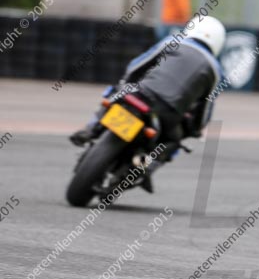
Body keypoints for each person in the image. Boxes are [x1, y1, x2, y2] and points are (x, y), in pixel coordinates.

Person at [69, 16, 227, 191]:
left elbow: (137, 66)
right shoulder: (215, 70)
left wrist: (126, 83)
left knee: (114, 93)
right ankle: (145, 168)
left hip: (140, 94)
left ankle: (90, 129)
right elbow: (205, 110)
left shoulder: (173, 41)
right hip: (167, 113)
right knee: (172, 142)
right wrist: (195, 129)